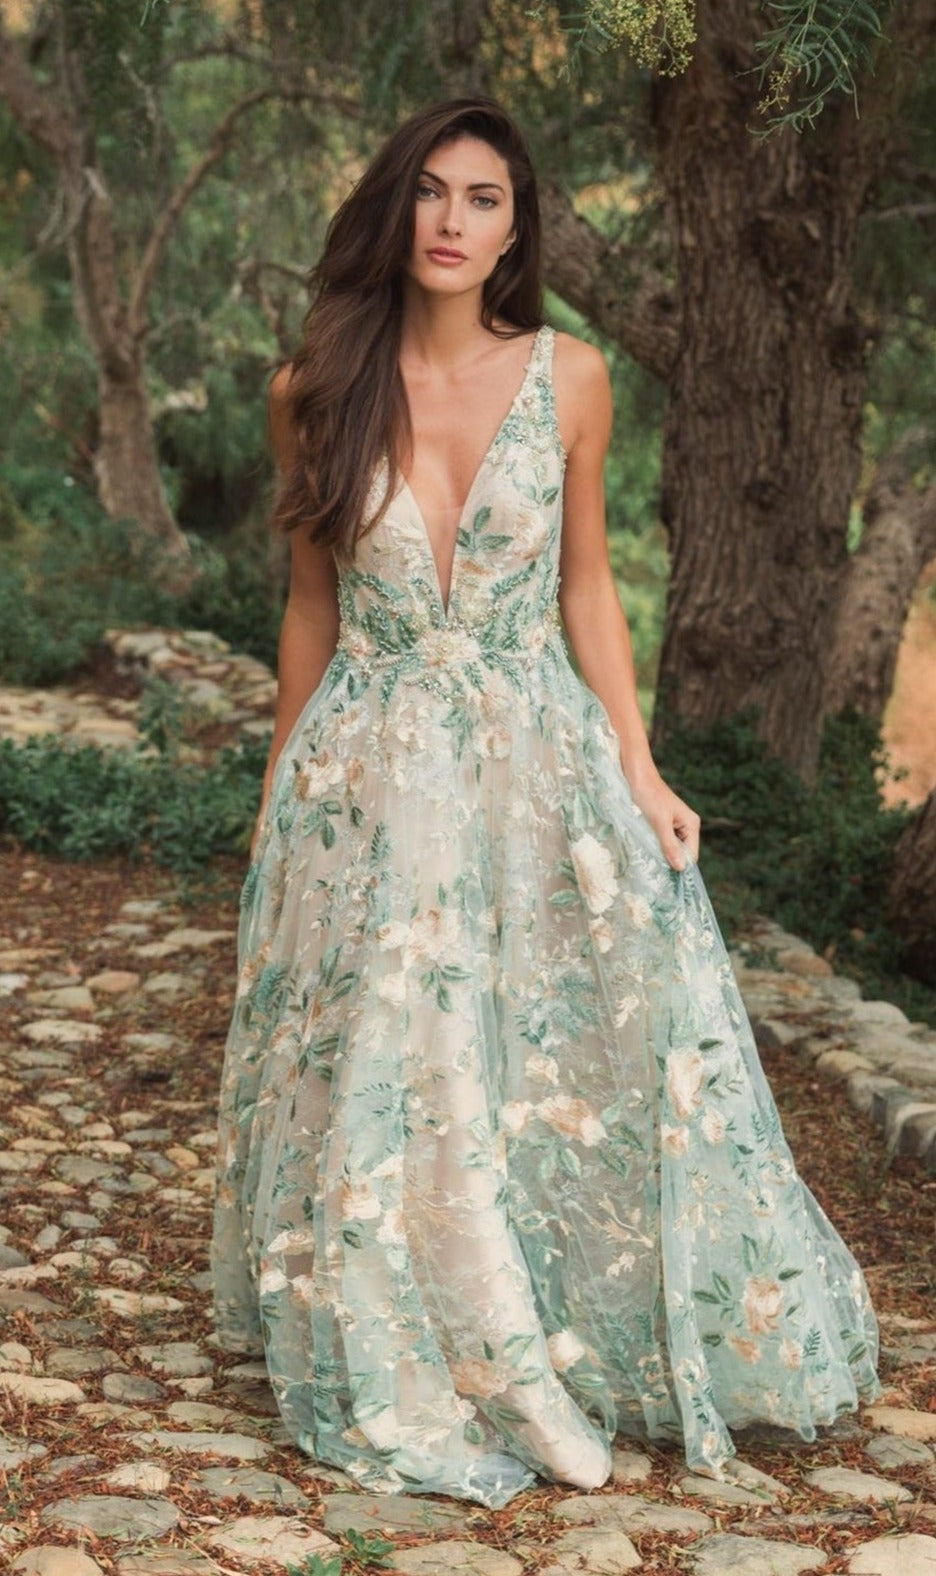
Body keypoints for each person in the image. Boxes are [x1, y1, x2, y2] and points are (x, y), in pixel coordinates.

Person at [210, 96, 880, 1510]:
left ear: (519, 229)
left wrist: (638, 762)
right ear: (396, 209)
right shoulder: (313, 385)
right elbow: (310, 606)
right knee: (414, 1049)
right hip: (373, 766)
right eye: (434, 193)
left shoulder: (570, 377)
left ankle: (535, 1338)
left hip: (530, 751)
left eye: (486, 201)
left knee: (544, 1048)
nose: (454, 222)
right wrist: (283, 789)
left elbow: (588, 585)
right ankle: (495, 1363)